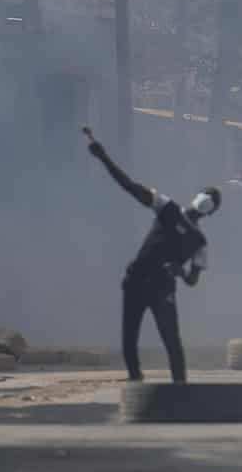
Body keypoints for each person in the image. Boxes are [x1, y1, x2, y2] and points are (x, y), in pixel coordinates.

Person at [84, 128, 219, 384]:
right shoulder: (198, 240)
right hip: (156, 286)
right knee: (170, 342)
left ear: (197, 197)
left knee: (132, 339)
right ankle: (177, 388)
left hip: (140, 280)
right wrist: (179, 272)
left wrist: (102, 157)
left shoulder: (168, 208)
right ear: (212, 213)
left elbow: (129, 186)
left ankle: (139, 382)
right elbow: (192, 281)